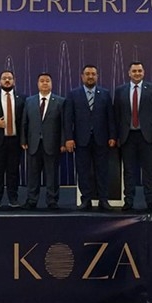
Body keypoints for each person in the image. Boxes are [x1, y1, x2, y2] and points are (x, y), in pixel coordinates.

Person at [114, 61, 152, 212]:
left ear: (144, 72)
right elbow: (116, 114)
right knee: (129, 171)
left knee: (148, 171)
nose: (137, 73)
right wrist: (116, 135)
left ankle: (150, 201)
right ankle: (128, 201)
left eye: (139, 71)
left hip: (147, 136)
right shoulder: (120, 90)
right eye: (134, 71)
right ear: (129, 73)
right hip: (127, 136)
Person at [64, 65, 116, 211]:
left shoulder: (105, 94)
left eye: (93, 74)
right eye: (87, 74)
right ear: (82, 76)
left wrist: (112, 135)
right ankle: (86, 200)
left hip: (102, 139)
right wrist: (68, 138)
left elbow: (110, 117)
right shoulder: (73, 94)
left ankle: (103, 200)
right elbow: (68, 118)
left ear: (97, 76)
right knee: (83, 171)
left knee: (102, 171)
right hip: (81, 140)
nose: (90, 76)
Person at [21, 73, 66, 209]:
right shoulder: (29, 101)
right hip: (33, 144)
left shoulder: (60, 101)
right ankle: (31, 200)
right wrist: (23, 139)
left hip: (52, 144)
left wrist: (63, 143)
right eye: (42, 81)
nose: (45, 83)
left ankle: (52, 200)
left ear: (51, 84)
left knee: (52, 174)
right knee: (33, 174)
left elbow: (64, 125)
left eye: (47, 81)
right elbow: (24, 122)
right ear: (37, 84)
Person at [0, 70, 25, 208]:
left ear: (14, 81)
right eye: (4, 78)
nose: (7, 80)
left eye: (9, 78)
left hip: (15, 140)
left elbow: (25, 120)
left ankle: (13, 198)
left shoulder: (22, 98)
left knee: (13, 171)